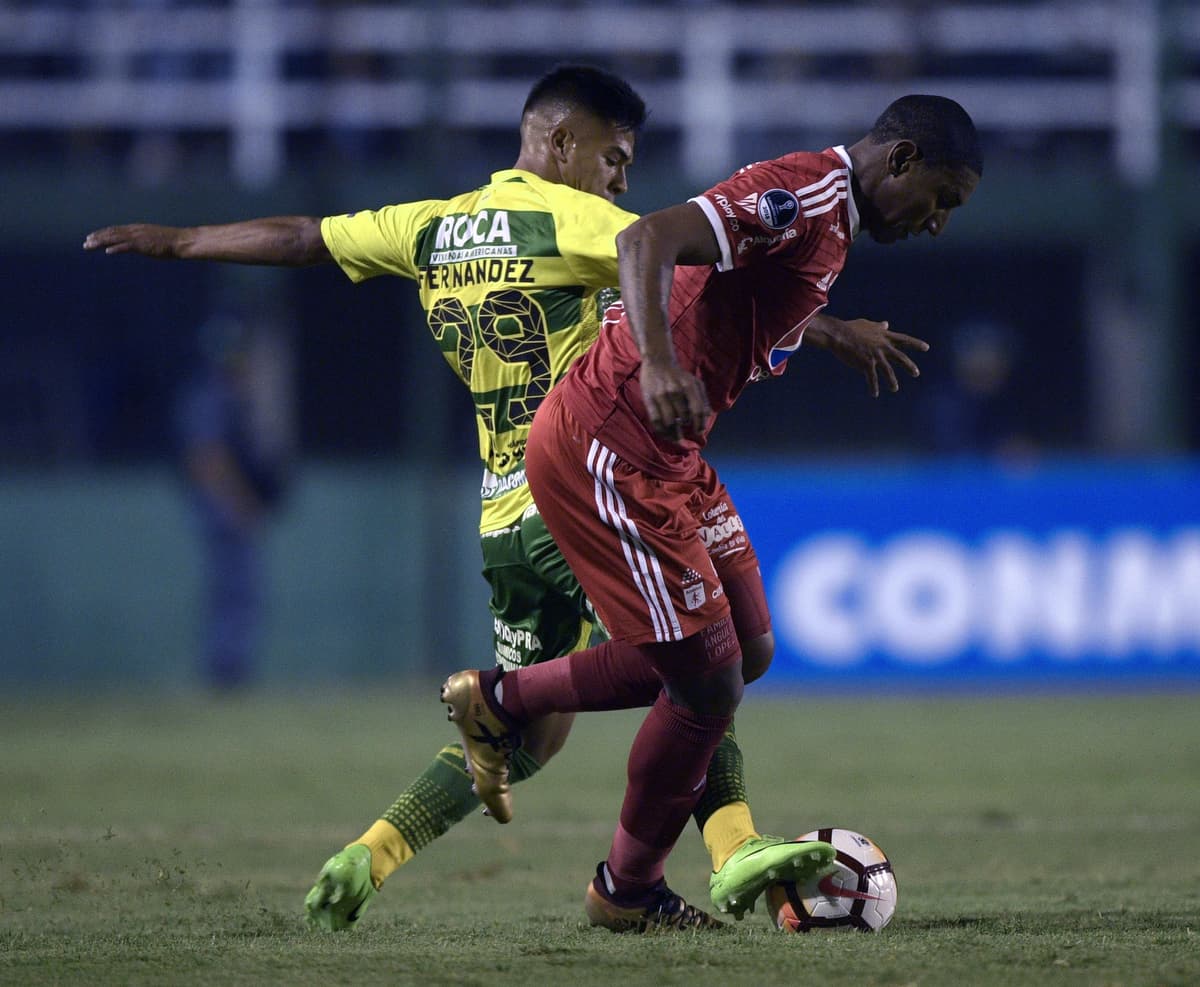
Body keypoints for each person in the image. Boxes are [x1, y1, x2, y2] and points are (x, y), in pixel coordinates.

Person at [83, 65, 919, 932]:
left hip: (504, 517)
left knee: (541, 737)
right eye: (614, 156)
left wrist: (181, 243)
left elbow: (305, 237)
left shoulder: (435, 226)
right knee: (697, 662)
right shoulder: (577, 218)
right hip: (594, 482)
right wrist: (822, 330)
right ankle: (718, 850)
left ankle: (369, 852)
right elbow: (693, 271)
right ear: (560, 141)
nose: (621, 179)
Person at [441, 93, 983, 932]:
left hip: (672, 455)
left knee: (748, 648)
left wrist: (832, 334)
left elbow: (729, 292)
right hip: (613, 437)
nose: (938, 222)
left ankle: (506, 696)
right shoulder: (800, 193)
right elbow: (646, 238)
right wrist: (658, 363)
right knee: (707, 681)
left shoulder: (829, 220)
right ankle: (626, 887)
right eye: (942, 198)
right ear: (902, 160)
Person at [176, 310, 291, 691]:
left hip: (222, 510)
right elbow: (207, 460)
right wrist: (241, 505)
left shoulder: (225, 395)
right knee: (235, 592)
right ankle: (226, 674)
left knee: (236, 592)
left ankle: (229, 671)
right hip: (223, 511)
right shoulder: (211, 396)